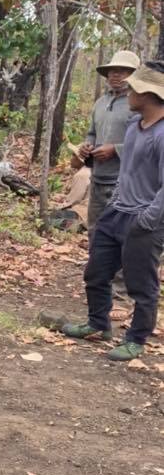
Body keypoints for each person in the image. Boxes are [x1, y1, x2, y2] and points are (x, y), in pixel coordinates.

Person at [63, 60, 164, 363]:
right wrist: (115, 203)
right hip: (116, 210)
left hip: (144, 218)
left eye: (134, 88)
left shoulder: (161, 134)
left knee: (141, 284)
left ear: (147, 95)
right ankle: (98, 324)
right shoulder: (135, 127)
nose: (127, 92)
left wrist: (147, 219)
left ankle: (136, 339)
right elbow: (128, 172)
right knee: (96, 272)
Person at [76, 50, 140, 232]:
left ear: (134, 75)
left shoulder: (138, 104)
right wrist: (86, 146)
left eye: (122, 70)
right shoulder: (100, 103)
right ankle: (95, 260)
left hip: (125, 181)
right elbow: (92, 133)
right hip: (98, 178)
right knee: (95, 228)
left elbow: (147, 142)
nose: (115, 74)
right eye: (112, 70)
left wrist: (116, 149)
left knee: (120, 231)